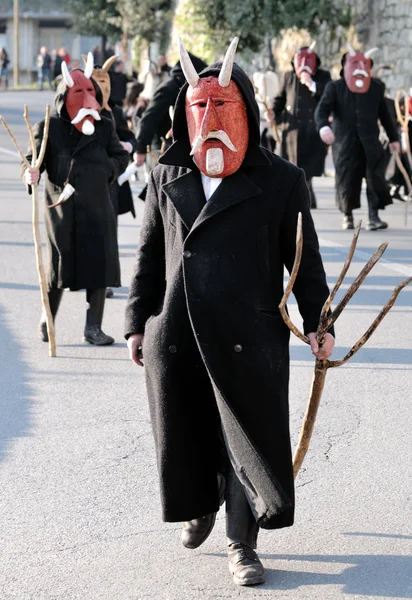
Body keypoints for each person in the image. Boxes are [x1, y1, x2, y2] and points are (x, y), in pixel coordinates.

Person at [125, 38, 335, 587]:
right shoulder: (167, 178)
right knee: (188, 430)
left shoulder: (279, 180)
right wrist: (135, 324)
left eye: (223, 106)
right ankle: (200, 506)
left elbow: (303, 262)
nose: (211, 117)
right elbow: (149, 256)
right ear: (184, 114)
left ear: (244, 106)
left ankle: (242, 545)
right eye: (200, 107)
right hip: (179, 332)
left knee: (244, 440)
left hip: (249, 333)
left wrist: (320, 323)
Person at [22, 53, 129, 345]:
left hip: (98, 204)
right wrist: (29, 174)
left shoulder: (104, 123)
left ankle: (93, 327)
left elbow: (121, 155)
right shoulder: (51, 126)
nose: (86, 97)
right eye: (78, 91)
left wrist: (109, 169)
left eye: (89, 91)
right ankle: (48, 319)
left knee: (99, 263)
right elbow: (32, 160)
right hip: (62, 208)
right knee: (59, 265)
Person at [315, 44, 400, 230]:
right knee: (347, 180)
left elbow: (385, 115)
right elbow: (321, 110)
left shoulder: (376, 88)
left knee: (374, 179)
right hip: (345, 145)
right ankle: (348, 215)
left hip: (371, 144)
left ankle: (373, 216)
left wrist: (394, 139)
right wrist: (323, 128)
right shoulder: (334, 87)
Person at [88, 54, 138, 297]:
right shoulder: (82, 112)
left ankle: (104, 280)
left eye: (105, 82)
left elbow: (129, 137)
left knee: (109, 230)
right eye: (97, 83)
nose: (102, 88)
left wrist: (128, 147)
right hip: (87, 182)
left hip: (111, 182)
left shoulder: (114, 112)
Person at [271, 43, 331, 209]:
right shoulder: (289, 76)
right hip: (291, 131)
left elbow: (329, 96)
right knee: (291, 168)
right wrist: (273, 113)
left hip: (312, 131)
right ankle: (304, 196)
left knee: (308, 169)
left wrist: (311, 84)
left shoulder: (324, 76)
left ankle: (305, 194)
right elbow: (280, 99)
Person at [133, 52, 207, 169]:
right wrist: (140, 149)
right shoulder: (169, 88)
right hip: (161, 148)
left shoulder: (185, 88)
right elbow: (149, 118)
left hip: (176, 148)